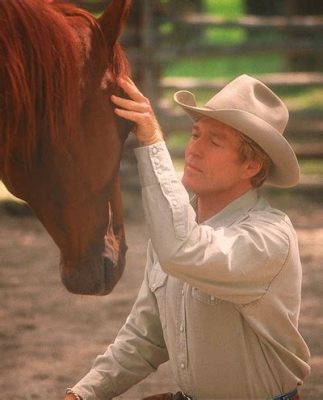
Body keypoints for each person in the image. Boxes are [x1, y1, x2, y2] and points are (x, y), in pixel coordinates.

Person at [65, 74, 310, 400]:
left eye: (215, 142)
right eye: (196, 135)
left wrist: (152, 139)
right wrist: (82, 395)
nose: (194, 150)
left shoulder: (269, 238)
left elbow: (183, 250)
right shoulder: (173, 233)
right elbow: (144, 338)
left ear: (251, 165)